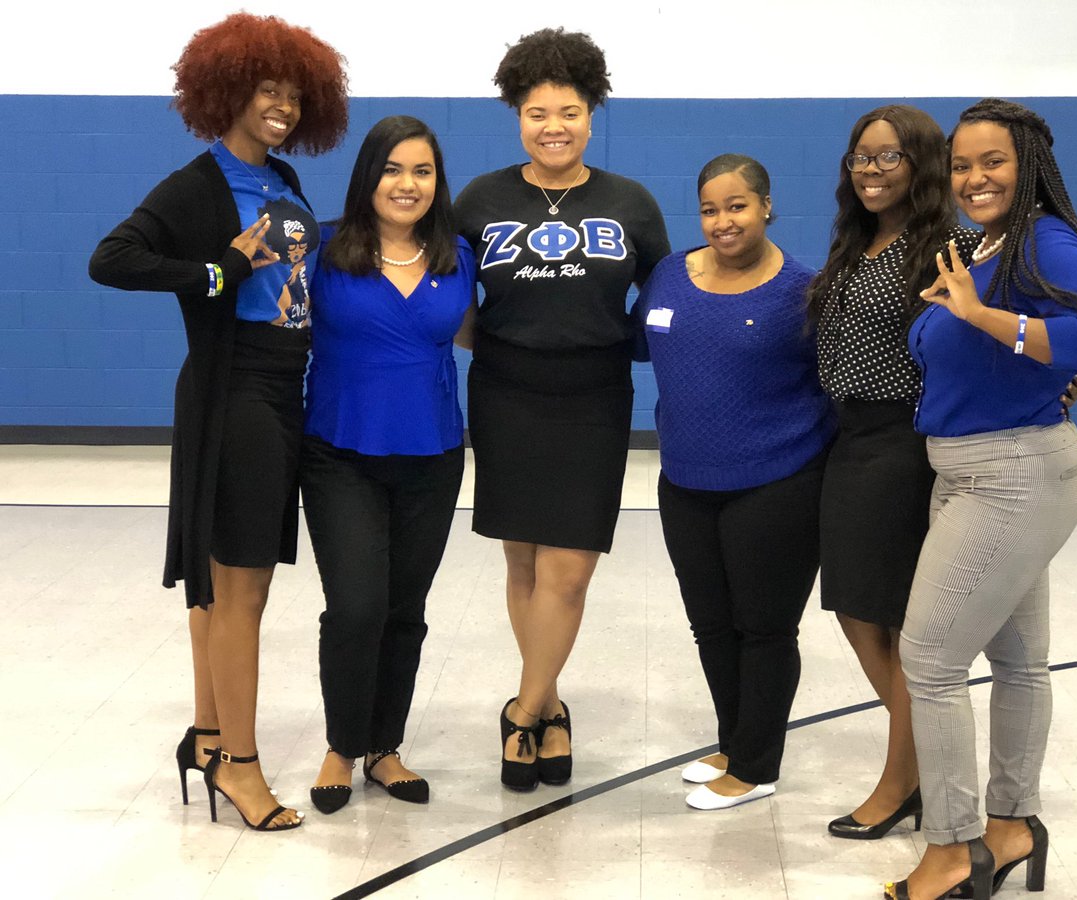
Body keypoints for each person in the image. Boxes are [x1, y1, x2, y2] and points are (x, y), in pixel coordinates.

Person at [88, 13, 349, 831]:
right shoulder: (196, 185)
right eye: (267, 89)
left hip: (282, 385)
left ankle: (207, 735)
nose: (282, 105)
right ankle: (240, 766)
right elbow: (112, 258)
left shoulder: (281, 180)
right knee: (243, 585)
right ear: (227, 90)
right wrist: (217, 268)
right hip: (234, 391)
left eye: (294, 94)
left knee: (220, 583)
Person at [883, 99, 1077, 900]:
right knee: (1017, 662)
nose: (974, 177)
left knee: (931, 659)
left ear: (1028, 167)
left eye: (994, 162)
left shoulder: (1047, 241)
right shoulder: (976, 246)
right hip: (969, 468)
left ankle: (951, 852)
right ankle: (1011, 825)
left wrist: (988, 318)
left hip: (1013, 472)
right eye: (961, 165)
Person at [454, 27, 670, 791]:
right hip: (507, 392)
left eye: (570, 111)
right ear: (518, 113)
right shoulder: (480, 198)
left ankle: (524, 709)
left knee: (569, 570)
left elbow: (669, 292)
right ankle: (549, 710)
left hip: (594, 394)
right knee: (522, 560)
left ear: (591, 112)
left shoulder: (629, 202)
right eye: (538, 111)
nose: (554, 126)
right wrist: (487, 340)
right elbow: (445, 291)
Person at [636, 154, 835, 810]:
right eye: (711, 209)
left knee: (765, 628)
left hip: (776, 481)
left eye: (738, 206)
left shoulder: (803, 290)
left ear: (767, 206)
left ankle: (756, 767)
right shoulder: (670, 274)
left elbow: (837, 384)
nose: (724, 221)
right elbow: (635, 342)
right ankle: (734, 740)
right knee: (712, 626)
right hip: (685, 481)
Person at [807, 105, 979, 840]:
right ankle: (923, 761)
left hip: (903, 440)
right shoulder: (857, 238)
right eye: (861, 159)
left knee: (899, 620)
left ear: (920, 164)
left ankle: (899, 781)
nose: (871, 172)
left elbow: (995, 325)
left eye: (888, 158)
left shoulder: (948, 242)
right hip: (846, 435)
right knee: (854, 605)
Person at [301, 116, 475, 814]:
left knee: (405, 609)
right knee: (356, 607)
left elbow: (484, 337)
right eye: (393, 169)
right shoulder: (320, 249)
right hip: (340, 453)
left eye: (423, 171)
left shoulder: (457, 255)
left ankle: (386, 748)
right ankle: (342, 746)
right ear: (368, 175)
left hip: (432, 455)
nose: (408, 184)